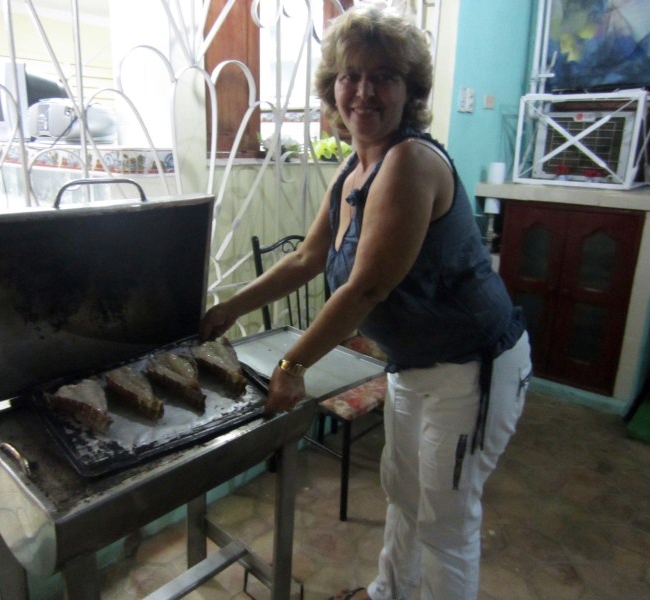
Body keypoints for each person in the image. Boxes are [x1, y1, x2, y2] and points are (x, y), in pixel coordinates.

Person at [199, 3, 532, 599]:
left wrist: (292, 364)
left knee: (445, 523)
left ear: (410, 91)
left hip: (473, 366)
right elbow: (306, 259)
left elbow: (367, 288)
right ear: (332, 88)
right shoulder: (355, 167)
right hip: (412, 364)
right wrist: (226, 308)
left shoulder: (409, 163)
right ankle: (388, 592)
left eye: (384, 76)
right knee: (404, 495)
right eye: (350, 75)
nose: (363, 91)